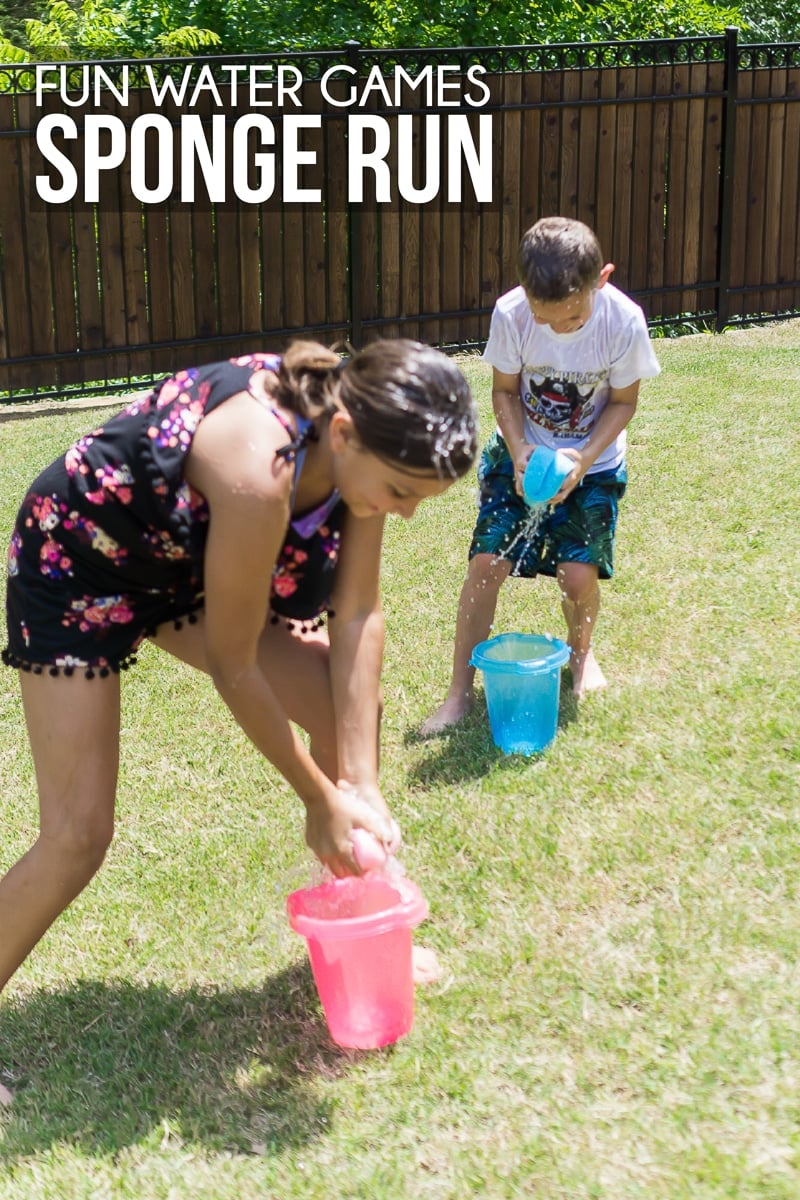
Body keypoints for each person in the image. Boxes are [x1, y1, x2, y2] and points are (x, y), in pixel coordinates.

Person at [0, 339, 478, 1035]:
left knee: (344, 712)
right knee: (77, 834)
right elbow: (235, 664)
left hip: (184, 561)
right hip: (82, 563)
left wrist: (360, 786)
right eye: (400, 491)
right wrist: (318, 797)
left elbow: (359, 615)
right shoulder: (261, 471)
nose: (403, 512)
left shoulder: (357, 445)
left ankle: (363, 928)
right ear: (343, 433)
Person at [421, 216, 660, 734]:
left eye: (572, 317)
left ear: (603, 279)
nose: (557, 329)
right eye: (543, 317)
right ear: (525, 294)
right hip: (521, 454)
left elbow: (623, 402)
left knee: (577, 576)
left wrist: (582, 457)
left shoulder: (623, 321)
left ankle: (582, 657)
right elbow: (505, 391)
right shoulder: (511, 314)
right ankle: (459, 693)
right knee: (486, 565)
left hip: (594, 464)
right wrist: (520, 445)